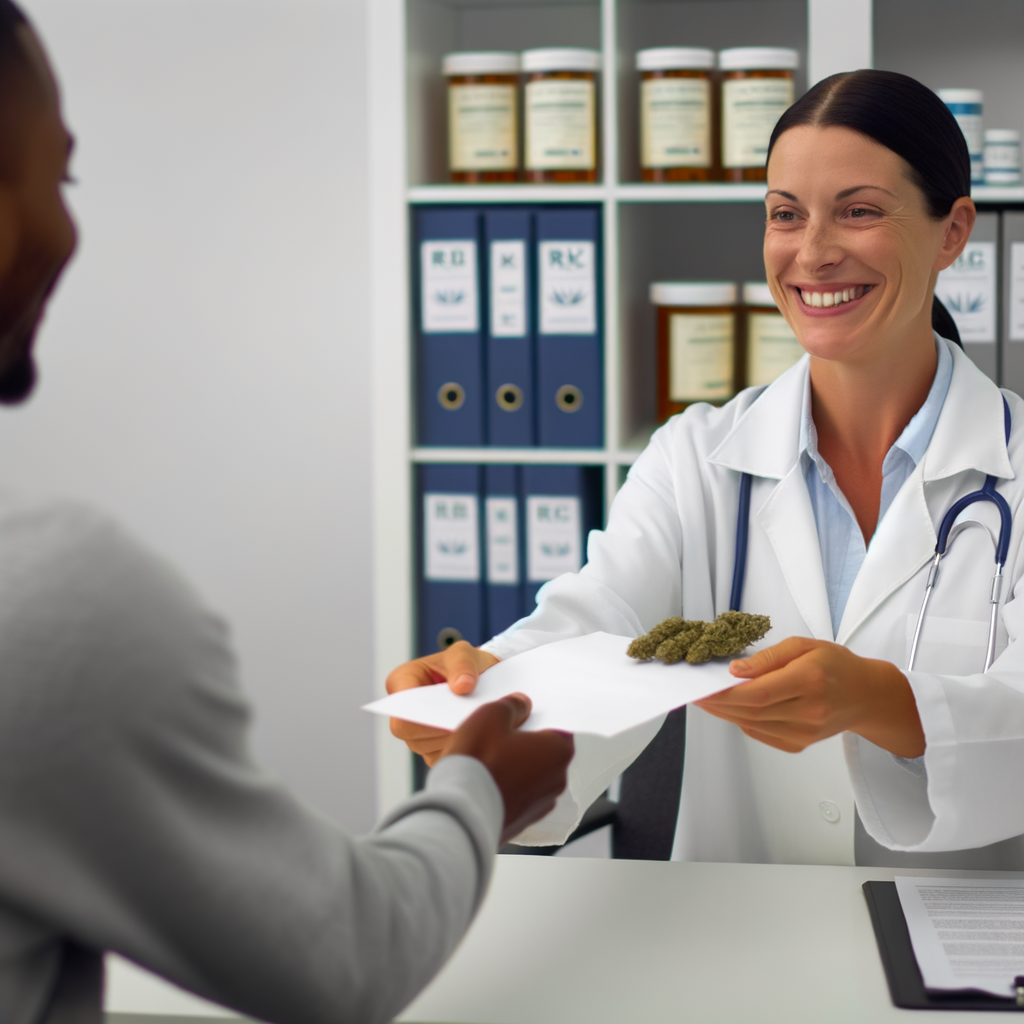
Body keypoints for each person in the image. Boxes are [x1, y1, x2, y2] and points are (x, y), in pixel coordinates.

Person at [0, 5, 574, 1023]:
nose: (64, 224)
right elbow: (349, 955)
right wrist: (478, 782)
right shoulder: (53, 602)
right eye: (58, 176)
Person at [389, 69, 1024, 870]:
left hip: (967, 950)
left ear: (952, 232)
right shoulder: (694, 458)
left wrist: (885, 702)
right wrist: (489, 688)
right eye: (785, 215)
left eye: (859, 212)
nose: (814, 252)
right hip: (735, 930)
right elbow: (597, 618)